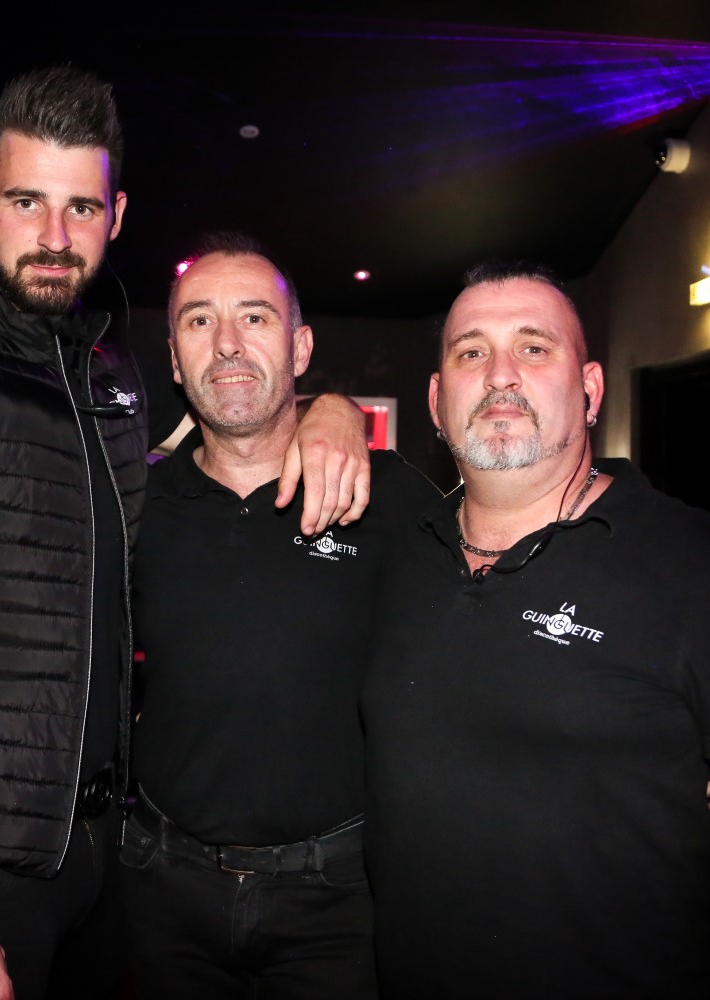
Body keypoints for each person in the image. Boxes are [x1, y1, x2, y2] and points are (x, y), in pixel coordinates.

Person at [0, 66, 369, 1000]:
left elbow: (242, 402)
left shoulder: (111, 372)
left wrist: (329, 409)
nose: (56, 238)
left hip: (108, 862)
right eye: (26, 201)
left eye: (83, 208)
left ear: (116, 215)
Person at [360, 261, 710, 998]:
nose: (500, 374)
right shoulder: (393, 555)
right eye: (471, 352)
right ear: (438, 401)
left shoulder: (709, 567)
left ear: (591, 390)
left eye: (534, 347)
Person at [119, 232, 443, 999]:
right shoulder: (134, 507)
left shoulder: (390, 496)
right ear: (175, 361)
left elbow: (497, 632)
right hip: (161, 889)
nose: (227, 343)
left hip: (338, 900)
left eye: (254, 317)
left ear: (300, 348)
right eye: (199, 320)